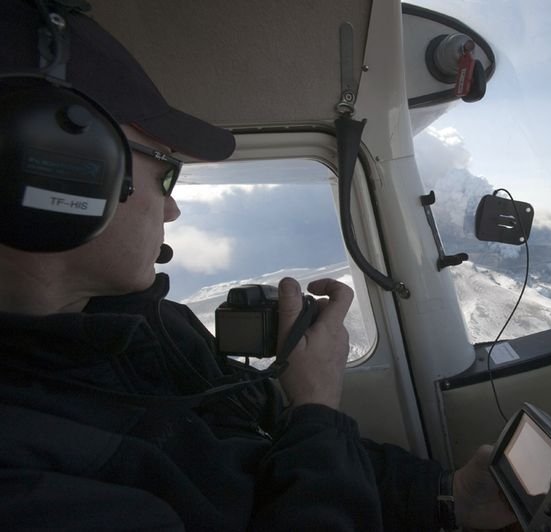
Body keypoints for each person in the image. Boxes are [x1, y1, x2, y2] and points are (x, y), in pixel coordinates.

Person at [0, 1, 518, 530]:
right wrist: (316, 404)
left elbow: (271, 453)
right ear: (61, 171)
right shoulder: (24, 481)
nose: (173, 209)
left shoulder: (156, 326)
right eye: (167, 173)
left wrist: (448, 496)